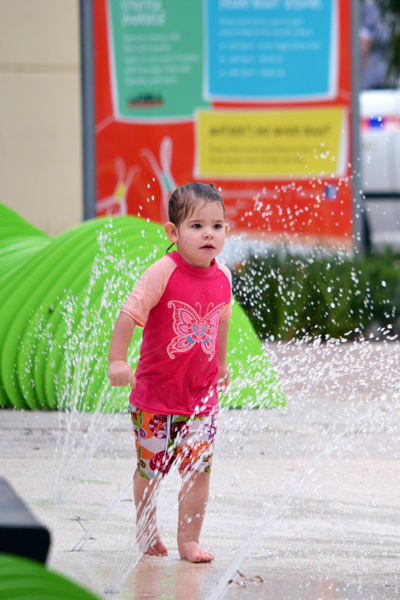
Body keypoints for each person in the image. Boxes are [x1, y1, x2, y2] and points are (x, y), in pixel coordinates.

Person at [108, 182, 231, 563]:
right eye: (196, 226)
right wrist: (118, 360)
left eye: (217, 225)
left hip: (199, 398)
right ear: (173, 233)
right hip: (155, 399)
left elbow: (220, 321)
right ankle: (146, 528)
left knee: (199, 472)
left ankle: (189, 540)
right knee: (152, 469)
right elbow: (130, 313)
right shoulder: (162, 272)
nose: (208, 234)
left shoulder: (223, 276)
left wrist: (221, 364)